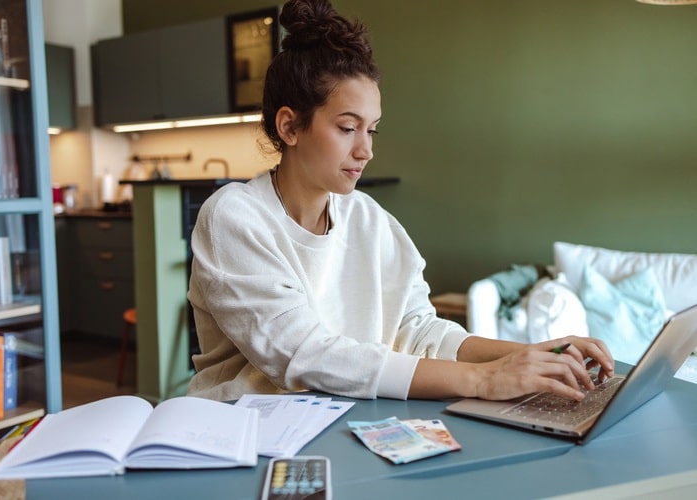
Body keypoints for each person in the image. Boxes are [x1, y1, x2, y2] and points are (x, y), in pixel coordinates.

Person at [186, 0, 614, 403]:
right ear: (290, 126)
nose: (366, 151)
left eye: (371, 130)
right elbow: (304, 354)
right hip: (243, 437)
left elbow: (418, 330)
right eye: (347, 127)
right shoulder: (234, 216)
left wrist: (538, 354)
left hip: (345, 423)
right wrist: (485, 378)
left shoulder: (369, 220)